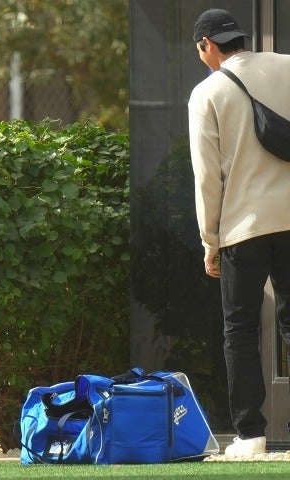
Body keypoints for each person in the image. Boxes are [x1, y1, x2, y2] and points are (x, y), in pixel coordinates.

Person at [188, 8, 290, 458]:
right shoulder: (288, 67)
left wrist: (210, 242)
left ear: (206, 44)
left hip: (244, 228)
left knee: (241, 330)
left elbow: (207, 177)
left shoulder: (207, 92)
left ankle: (250, 436)